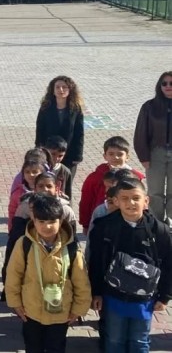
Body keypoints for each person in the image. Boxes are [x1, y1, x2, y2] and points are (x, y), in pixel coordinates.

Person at [88, 177, 172, 353]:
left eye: (136, 198)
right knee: (114, 339)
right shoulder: (103, 228)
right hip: (113, 296)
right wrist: (96, 292)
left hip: (144, 300)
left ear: (146, 201)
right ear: (116, 201)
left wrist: (165, 296)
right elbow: (96, 262)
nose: (131, 203)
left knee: (139, 340)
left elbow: (169, 264)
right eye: (124, 198)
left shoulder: (160, 231)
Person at [5, 193, 90, 353]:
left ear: (61, 221)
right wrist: (15, 302)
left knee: (56, 348)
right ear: (34, 221)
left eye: (52, 222)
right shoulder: (24, 244)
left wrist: (79, 309)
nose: (47, 226)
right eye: (41, 221)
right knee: (33, 347)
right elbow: (14, 275)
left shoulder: (71, 247)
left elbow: (81, 281)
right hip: (31, 311)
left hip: (61, 313)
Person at [78, 136, 145, 233]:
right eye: (111, 154)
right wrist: (85, 223)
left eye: (120, 154)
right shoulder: (95, 177)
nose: (115, 157)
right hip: (102, 217)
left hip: (129, 219)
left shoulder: (135, 178)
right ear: (105, 156)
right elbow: (86, 200)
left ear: (127, 157)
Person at [35, 75, 85, 195]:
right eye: (57, 87)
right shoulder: (46, 107)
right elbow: (40, 130)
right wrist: (39, 151)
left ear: (70, 90)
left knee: (64, 186)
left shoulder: (75, 109)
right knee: (47, 183)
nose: (61, 90)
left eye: (64, 87)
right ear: (53, 90)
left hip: (69, 155)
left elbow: (79, 133)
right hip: (49, 153)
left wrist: (77, 156)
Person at [134, 71, 172, 225]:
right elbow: (140, 133)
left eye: (171, 83)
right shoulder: (149, 107)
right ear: (159, 86)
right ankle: (156, 222)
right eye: (164, 83)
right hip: (156, 153)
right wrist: (144, 157)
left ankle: (170, 221)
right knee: (155, 192)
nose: (168, 86)